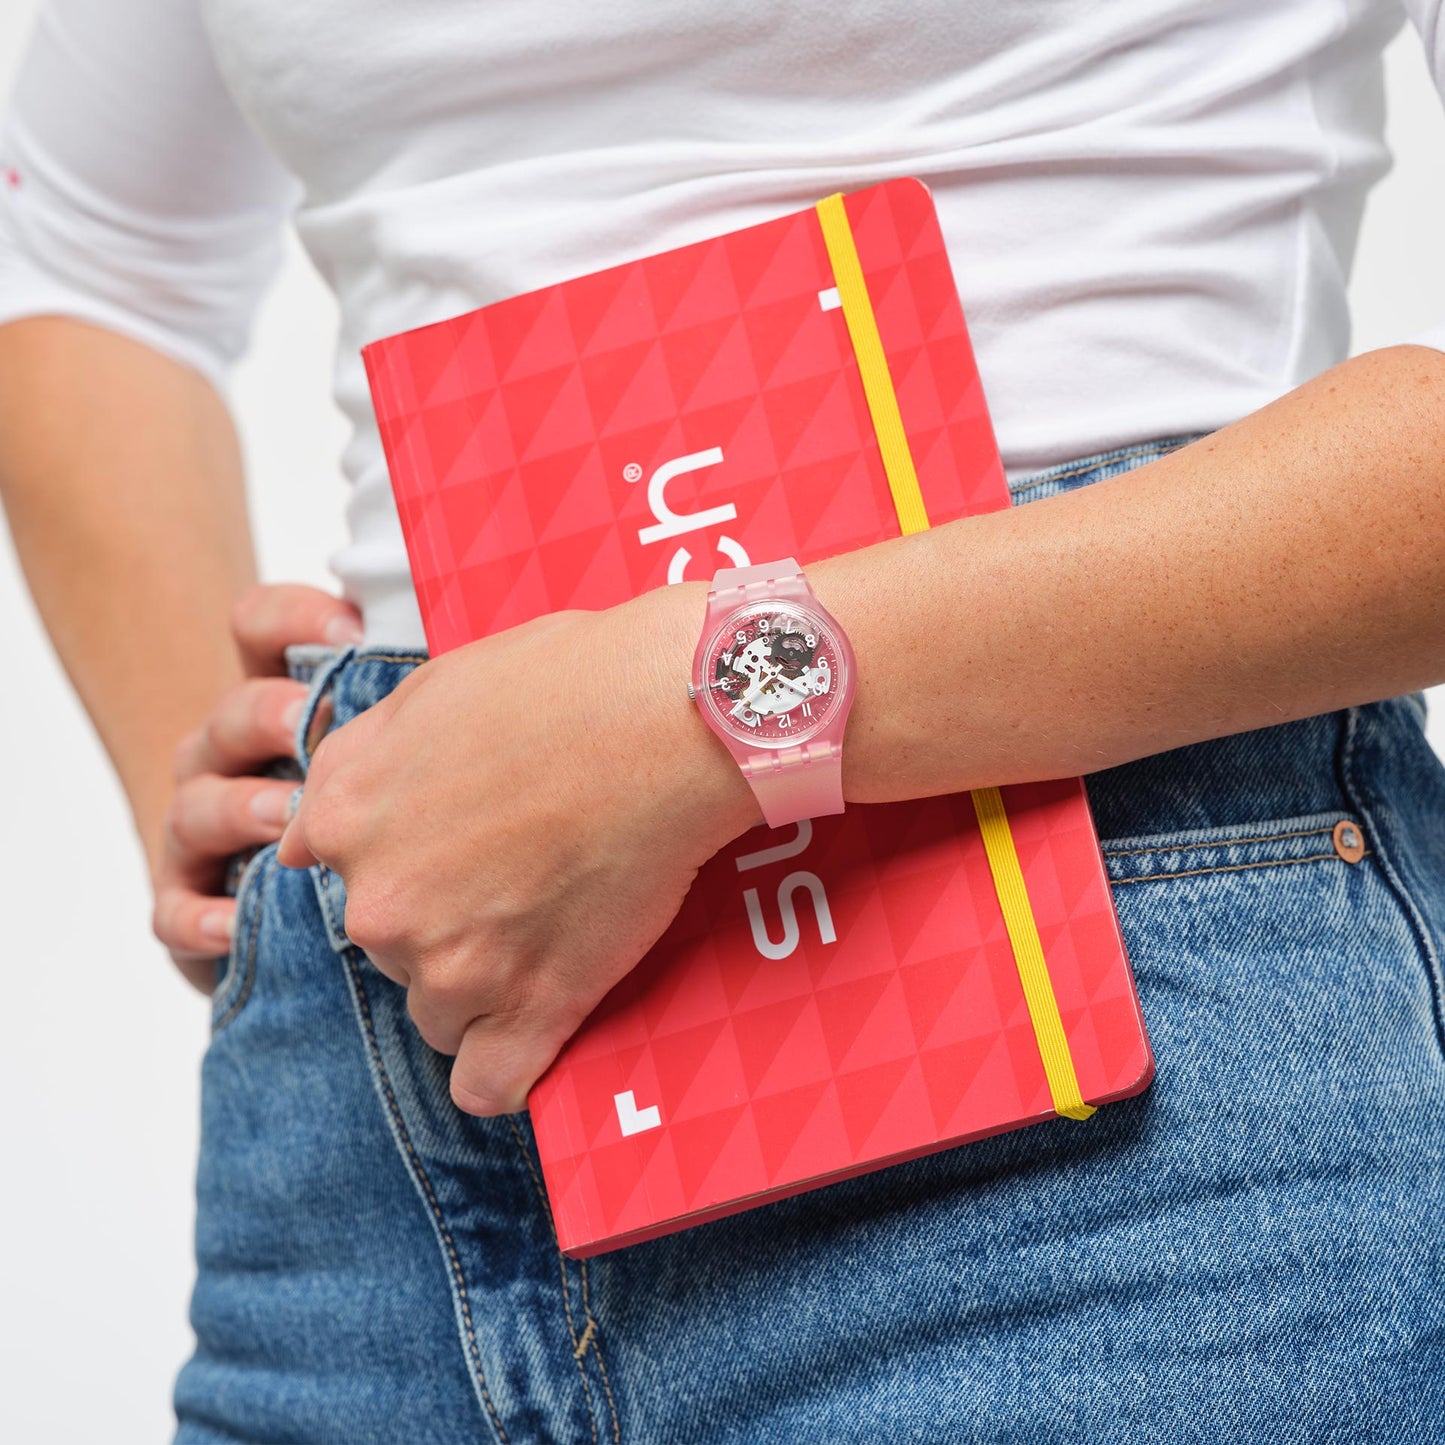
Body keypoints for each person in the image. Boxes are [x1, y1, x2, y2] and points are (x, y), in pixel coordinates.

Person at [2, 0, 1443, 1440]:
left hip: (1072, 985)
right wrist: (265, 811)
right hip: (378, 1107)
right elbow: (85, 253)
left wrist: (696, 707)